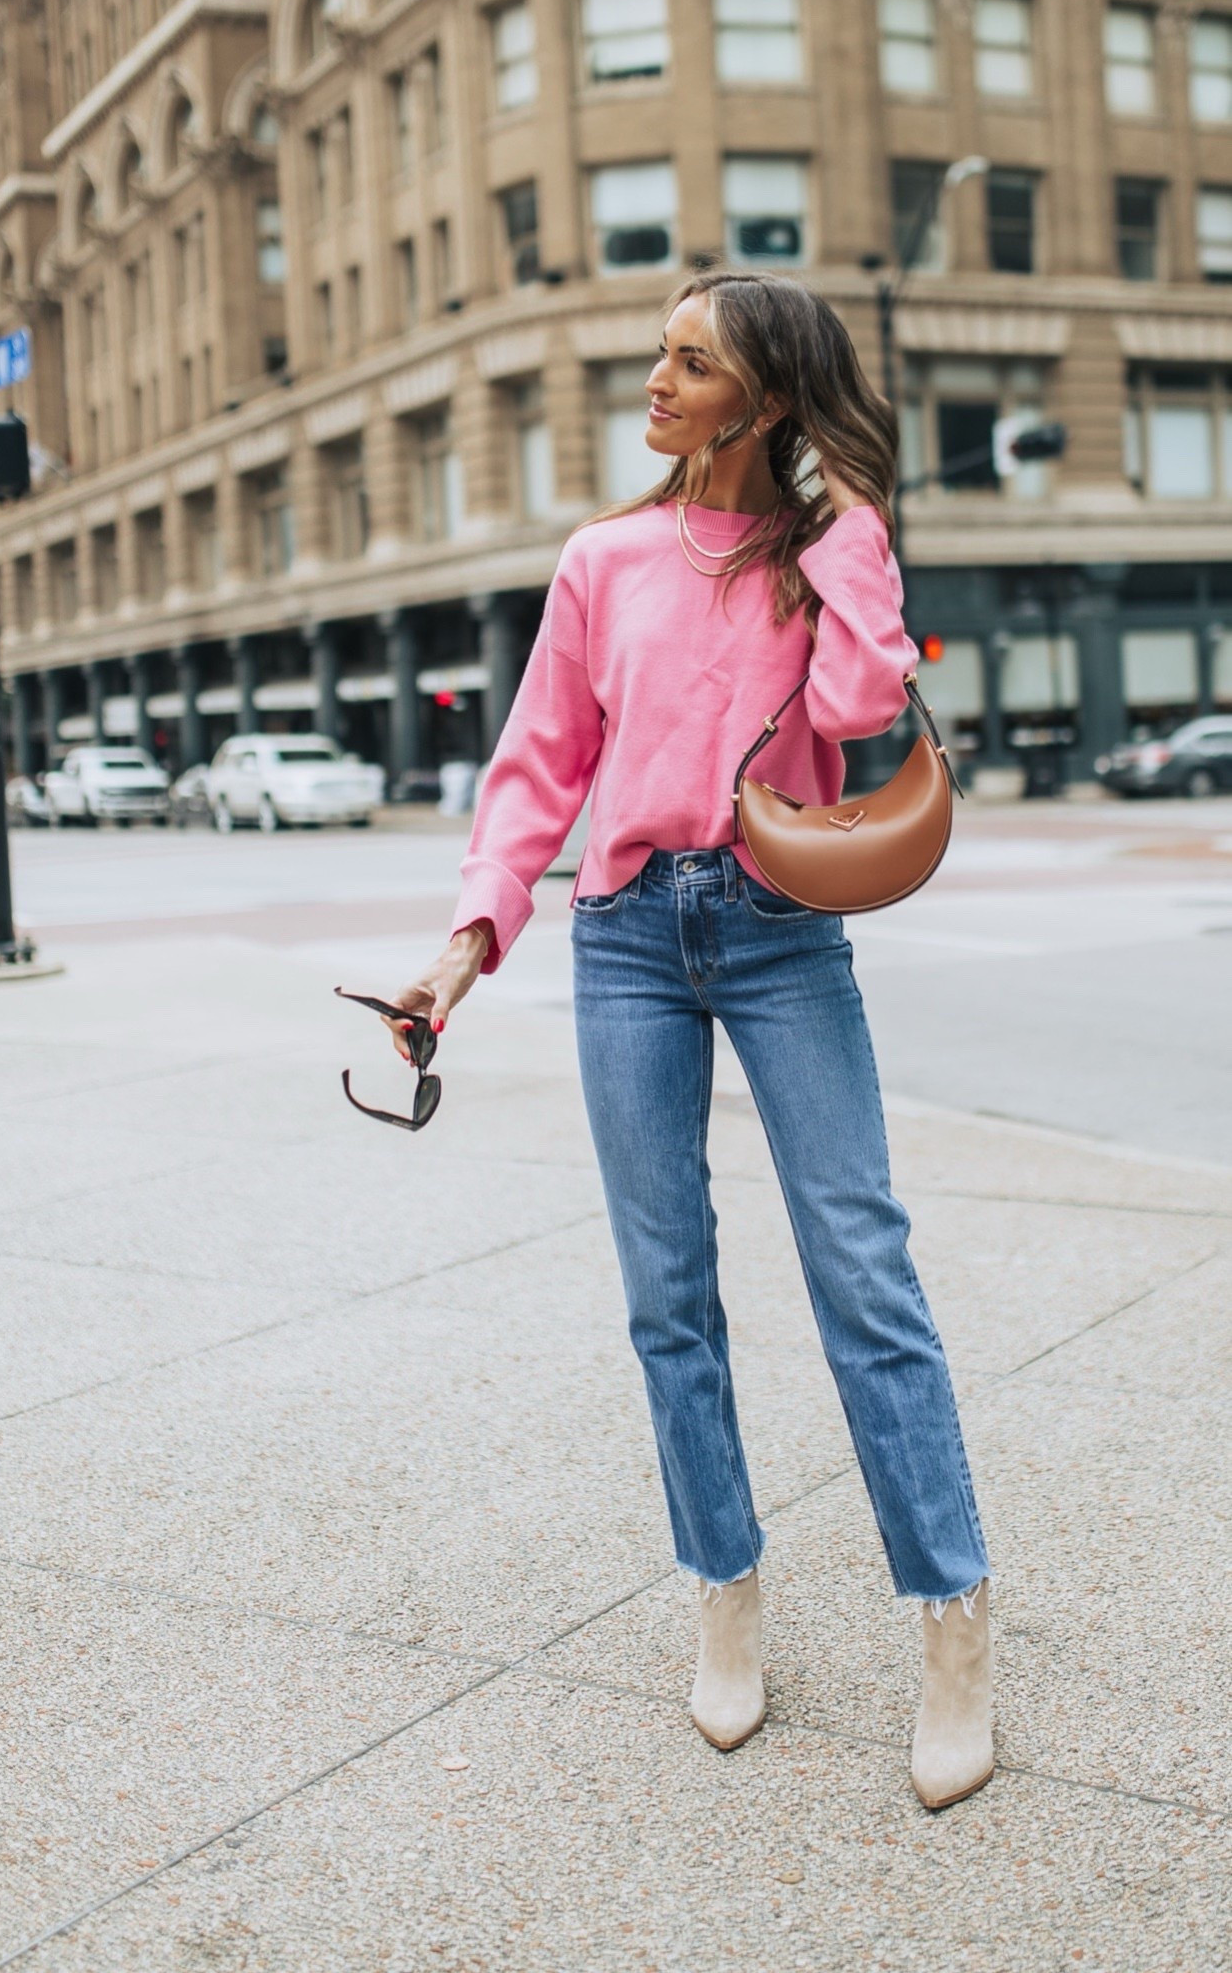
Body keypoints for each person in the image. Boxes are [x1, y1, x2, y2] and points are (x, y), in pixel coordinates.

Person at [377, 268, 995, 1811]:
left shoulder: (825, 553)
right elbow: (536, 768)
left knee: (863, 1270)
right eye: (657, 354)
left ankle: (950, 1628)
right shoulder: (601, 560)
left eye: (690, 361)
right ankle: (724, 1594)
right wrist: (466, 944)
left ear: (764, 400)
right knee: (668, 1294)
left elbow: (859, 716)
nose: (653, 381)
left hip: (782, 928)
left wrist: (854, 538)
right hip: (630, 937)